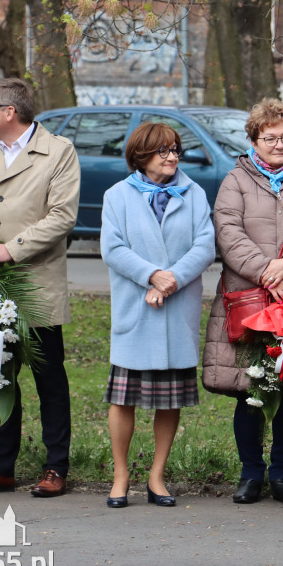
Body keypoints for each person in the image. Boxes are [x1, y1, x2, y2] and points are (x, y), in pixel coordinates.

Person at [0, 78, 80, 498]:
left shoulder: (59, 151)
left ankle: (55, 467)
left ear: (9, 112)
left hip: (37, 283)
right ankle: (0, 467)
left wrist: (9, 250)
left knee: (50, 379)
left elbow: (62, 216)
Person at [202, 98, 283, 506]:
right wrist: (265, 271)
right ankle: (250, 474)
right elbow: (228, 233)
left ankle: (282, 476)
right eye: (269, 138)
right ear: (253, 140)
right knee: (249, 389)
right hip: (249, 299)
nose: (279, 144)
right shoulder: (234, 181)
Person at [100, 122, 215, 508]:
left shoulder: (194, 193)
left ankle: (157, 477)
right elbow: (113, 248)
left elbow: (205, 246)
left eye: (175, 150)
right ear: (141, 156)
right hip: (137, 308)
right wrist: (150, 275)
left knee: (170, 401)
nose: (171, 157)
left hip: (176, 307)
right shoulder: (118, 195)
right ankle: (120, 476)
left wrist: (171, 280)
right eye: (162, 151)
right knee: (123, 399)